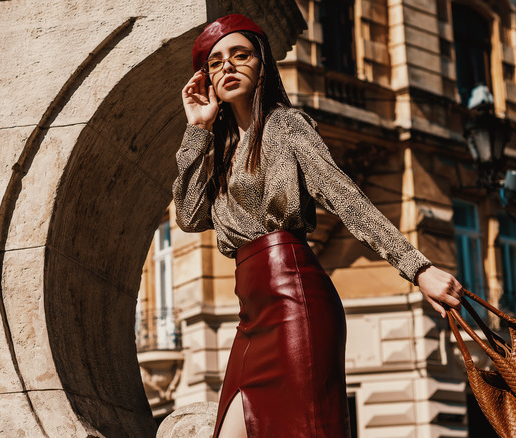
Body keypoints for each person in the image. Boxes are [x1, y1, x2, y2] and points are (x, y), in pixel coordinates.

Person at [174, 14, 464, 438]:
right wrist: (196, 129)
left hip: (296, 304)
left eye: (241, 55)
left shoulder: (286, 125)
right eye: (216, 63)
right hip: (251, 315)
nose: (228, 67)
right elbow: (188, 216)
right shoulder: (219, 147)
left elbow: (346, 198)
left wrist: (418, 268)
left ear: (263, 65)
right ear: (207, 78)